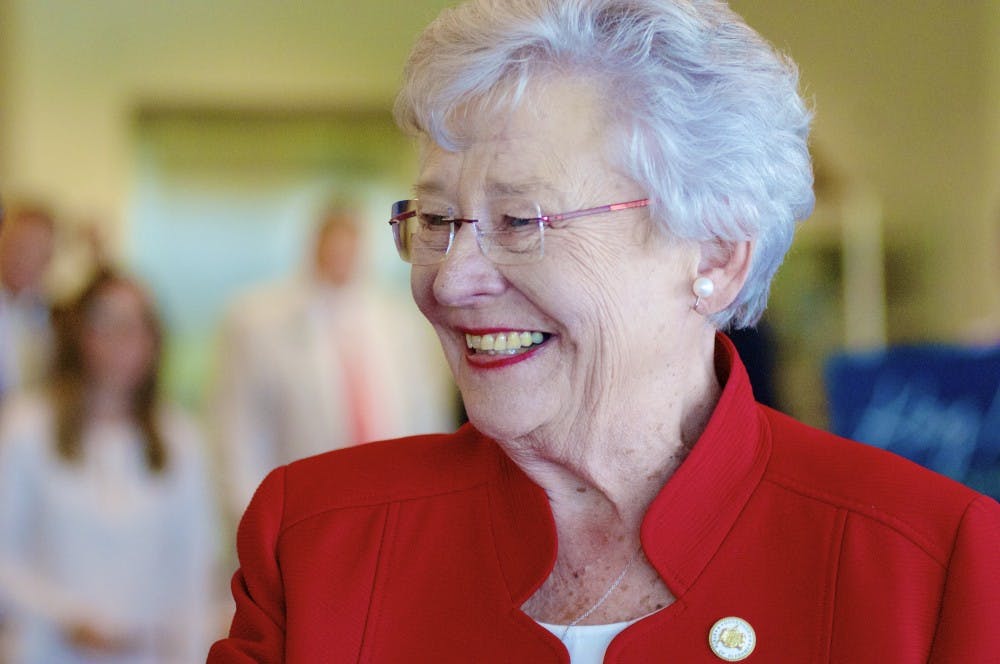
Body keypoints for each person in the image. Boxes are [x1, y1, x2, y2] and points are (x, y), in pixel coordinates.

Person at [209, 1, 1000, 662]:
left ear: (717, 256)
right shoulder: (319, 540)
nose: (451, 280)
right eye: (438, 219)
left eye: (520, 220)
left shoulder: (928, 565)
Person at [0, 269, 218, 663]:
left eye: (135, 326)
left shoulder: (179, 437)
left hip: (145, 652)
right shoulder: (29, 426)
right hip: (46, 648)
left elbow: (193, 569)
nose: (123, 341)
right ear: (78, 333)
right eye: (107, 324)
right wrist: (65, 615)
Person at [211, 203, 454, 518]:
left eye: (350, 244)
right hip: (301, 510)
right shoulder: (257, 322)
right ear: (314, 244)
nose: (342, 254)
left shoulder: (402, 322)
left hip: (394, 510)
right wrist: (254, 518)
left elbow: (427, 421)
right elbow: (238, 434)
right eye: (333, 243)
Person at [0, 202, 56, 403]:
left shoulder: (53, 316)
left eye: (36, 250)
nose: (23, 258)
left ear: (48, 259)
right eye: (17, 246)